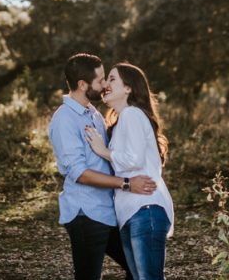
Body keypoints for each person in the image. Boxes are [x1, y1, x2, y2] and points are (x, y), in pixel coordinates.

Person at [49, 53, 157, 280]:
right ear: (82, 85)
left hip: (109, 212)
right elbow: (79, 173)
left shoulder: (94, 114)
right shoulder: (65, 119)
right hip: (86, 214)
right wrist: (127, 184)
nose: (105, 85)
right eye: (100, 81)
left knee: (137, 269)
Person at [85, 62, 174, 280]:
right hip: (131, 212)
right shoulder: (122, 120)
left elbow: (133, 160)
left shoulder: (132, 114)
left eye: (112, 79)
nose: (106, 84)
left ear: (128, 88)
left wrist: (102, 151)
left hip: (145, 208)